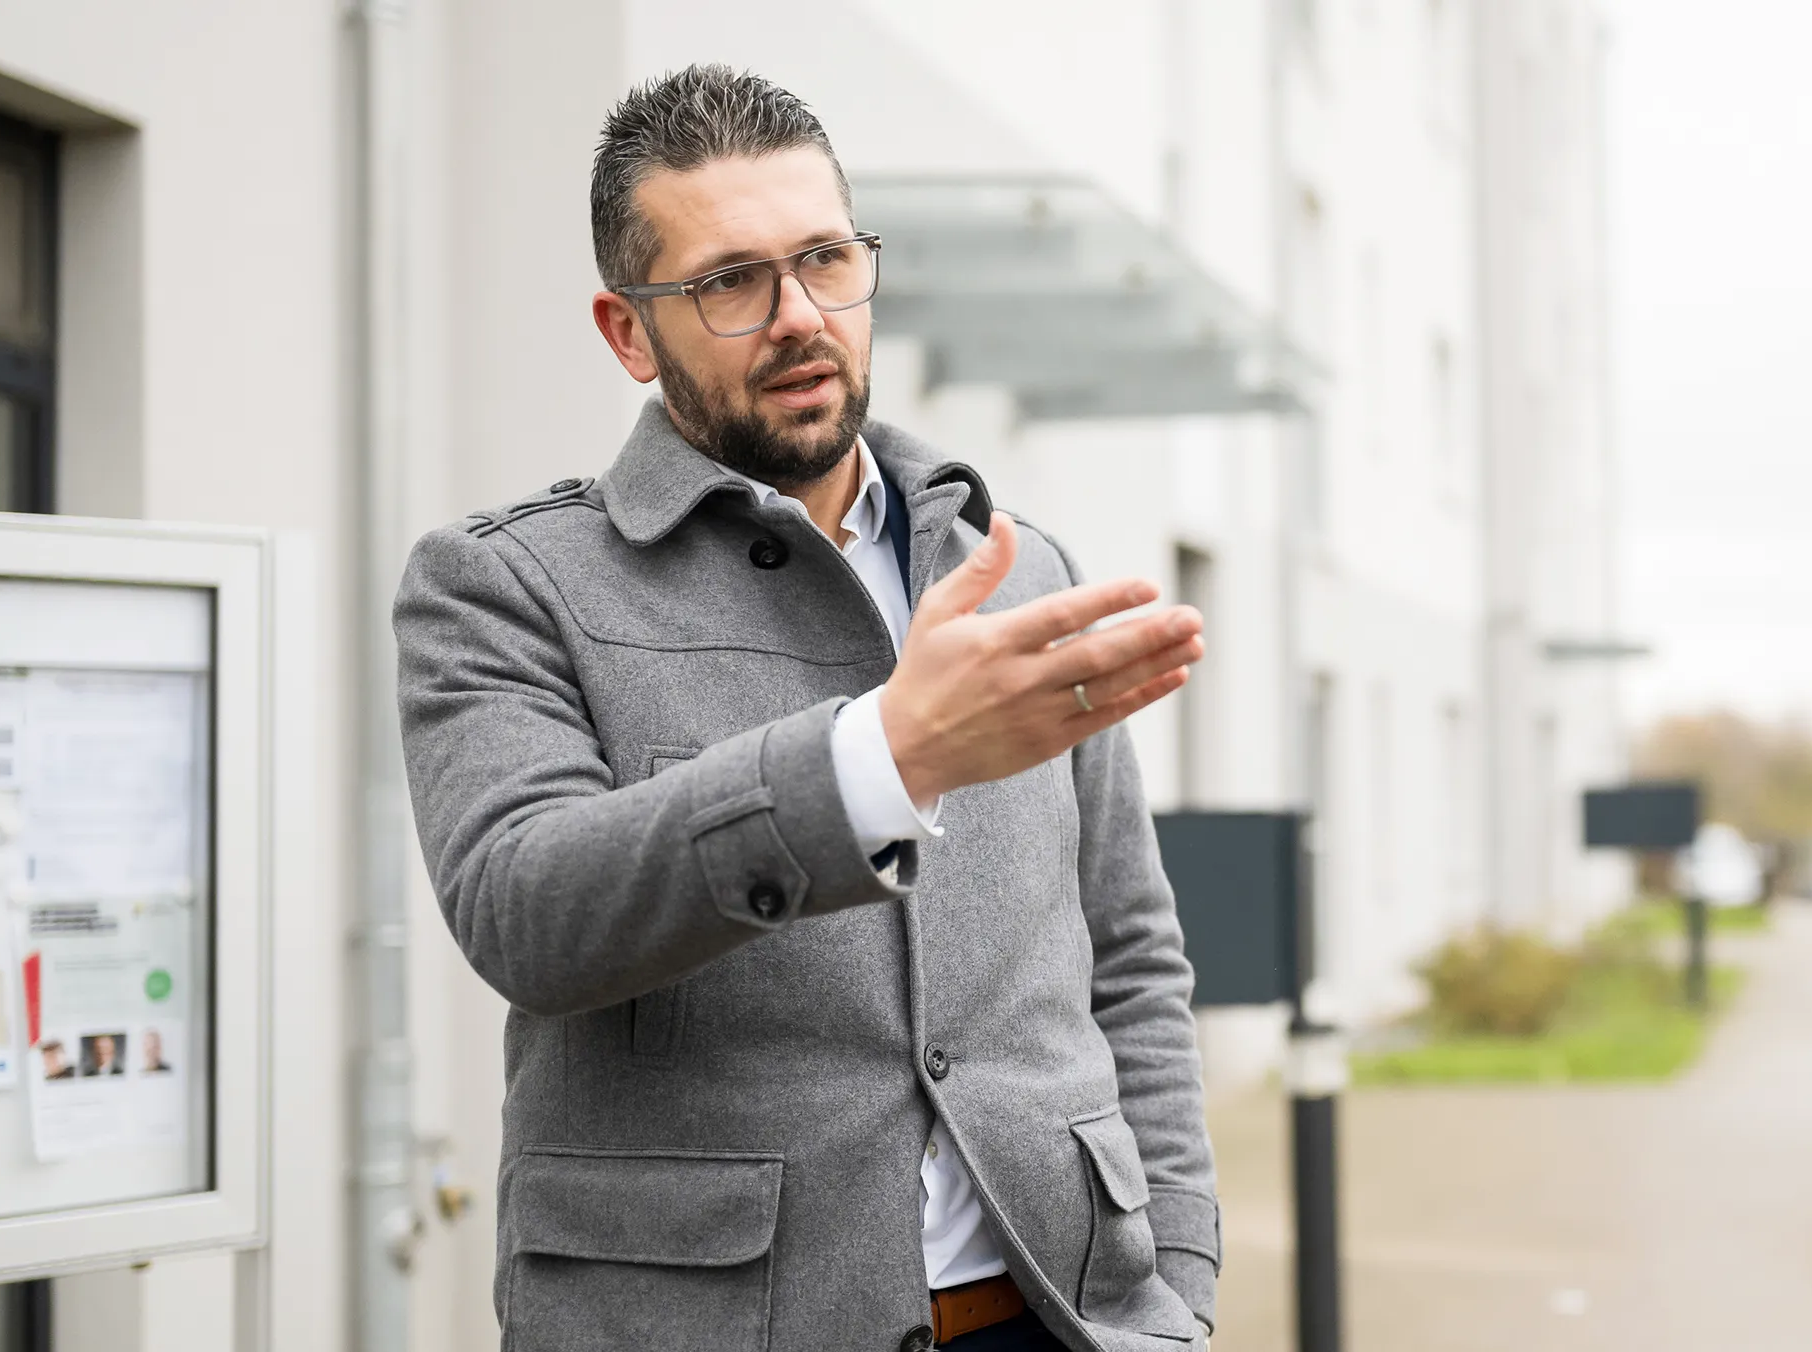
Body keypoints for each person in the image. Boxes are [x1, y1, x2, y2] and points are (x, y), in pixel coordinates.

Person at [394, 65, 1218, 1352]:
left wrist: (1172, 1282)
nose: (797, 315)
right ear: (628, 332)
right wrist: (875, 759)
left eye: (825, 258)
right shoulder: (504, 582)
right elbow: (525, 908)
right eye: (730, 281)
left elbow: (1128, 956)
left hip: (1057, 1315)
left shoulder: (1016, 569)